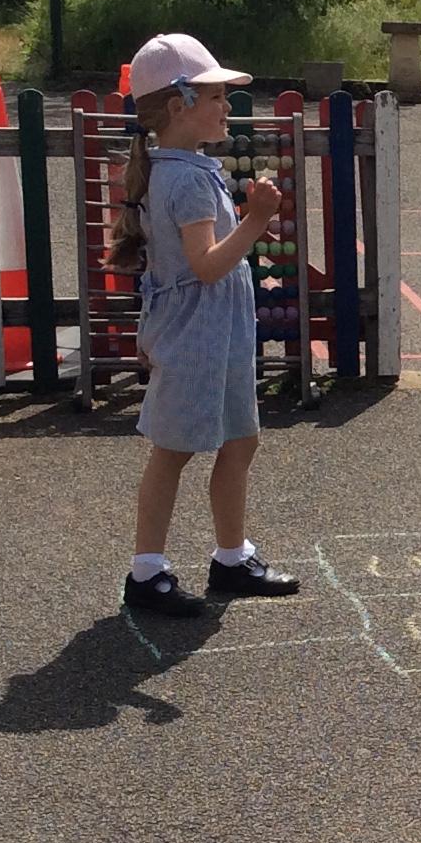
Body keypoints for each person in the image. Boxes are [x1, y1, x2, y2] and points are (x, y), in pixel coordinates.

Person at [110, 32, 301, 616]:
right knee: (173, 450)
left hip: (218, 331)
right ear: (179, 106)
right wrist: (256, 219)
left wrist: (245, 223)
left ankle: (231, 558)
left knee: (240, 439)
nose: (226, 106)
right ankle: (146, 572)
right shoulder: (187, 178)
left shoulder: (185, 167)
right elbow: (207, 265)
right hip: (197, 333)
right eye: (215, 96)